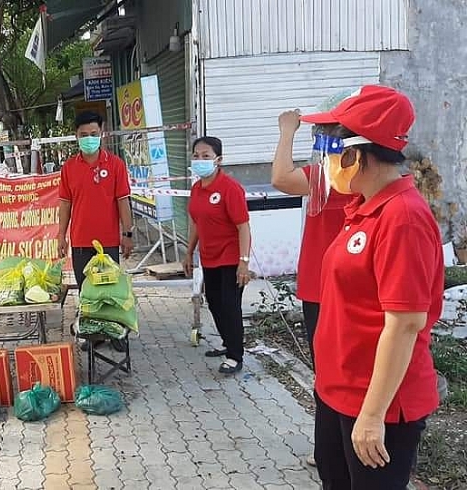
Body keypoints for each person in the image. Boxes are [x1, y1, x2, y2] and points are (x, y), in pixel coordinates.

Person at [301, 85, 441, 490]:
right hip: (338, 389)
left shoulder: (403, 218)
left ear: (356, 154)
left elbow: (404, 324)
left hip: (376, 402)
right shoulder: (362, 209)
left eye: (330, 147)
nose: (326, 161)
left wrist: (372, 414)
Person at [271, 111, 354, 368]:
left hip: (325, 286)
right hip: (337, 285)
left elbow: (281, 178)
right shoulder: (353, 175)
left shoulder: (330, 176)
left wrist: (286, 132)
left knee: (329, 368)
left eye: (324, 132)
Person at [58, 111, 133, 352]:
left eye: (93, 134)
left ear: (102, 134)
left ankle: (117, 333)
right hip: (80, 241)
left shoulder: (115, 165)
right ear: (76, 136)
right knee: (88, 292)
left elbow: (123, 201)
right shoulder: (69, 168)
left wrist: (128, 234)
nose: (89, 138)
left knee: (110, 291)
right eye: (83, 135)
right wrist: (61, 235)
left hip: (109, 241)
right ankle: (94, 335)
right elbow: (65, 204)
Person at [182, 137, 252, 374]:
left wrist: (244, 263)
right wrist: (189, 252)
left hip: (231, 258)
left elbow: (243, 226)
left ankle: (235, 355)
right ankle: (228, 342)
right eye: (196, 155)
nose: (200, 160)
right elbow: (196, 223)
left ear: (218, 160)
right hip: (209, 257)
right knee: (214, 303)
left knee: (230, 306)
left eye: (206, 156)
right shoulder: (196, 188)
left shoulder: (229, 188)